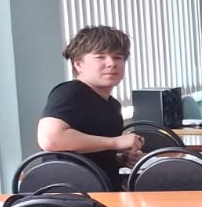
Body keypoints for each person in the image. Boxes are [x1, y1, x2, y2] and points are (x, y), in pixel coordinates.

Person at [37, 25, 144, 188]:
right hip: (71, 194)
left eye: (118, 57)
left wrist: (121, 159)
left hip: (103, 188)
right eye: (100, 57)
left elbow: (92, 154)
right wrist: (115, 143)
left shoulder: (112, 105)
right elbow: (50, 139)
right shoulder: (70, 92)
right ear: (78, 64)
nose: (111, 64)